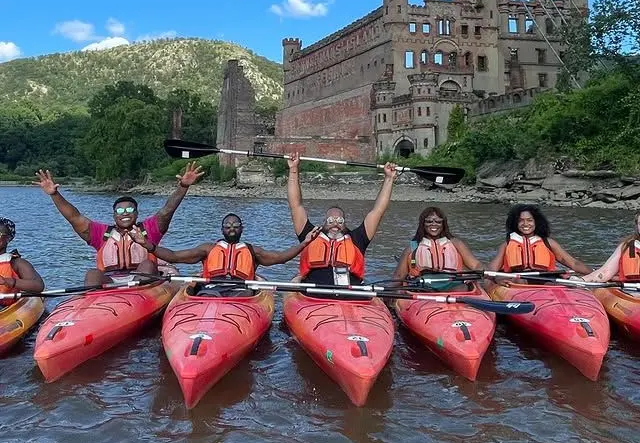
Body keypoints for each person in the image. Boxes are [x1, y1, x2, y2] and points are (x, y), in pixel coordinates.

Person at [34, 162, 205, 286]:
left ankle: (139, 302)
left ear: (136, 214)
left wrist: (183, 186)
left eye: (130, 210)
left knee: (147, 264)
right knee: (92, 274)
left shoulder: (148, 230)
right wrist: (54, 194)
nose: (125, 214)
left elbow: (167, 210)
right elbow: (74, 217)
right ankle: (91, 307)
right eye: (120, 211)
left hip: (143, 281)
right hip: (111, 280)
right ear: (114, 215)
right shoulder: (100, 233)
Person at [286, 152, 398, 286]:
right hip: (313, 293)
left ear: (345, 223)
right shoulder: (310, 236)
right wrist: (293, 170)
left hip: (350, 293)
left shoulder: (358, 238)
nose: (335, 224)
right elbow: (295, 205)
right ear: (324, 222)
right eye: (330, 221)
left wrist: (389, 178)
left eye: (340, 221)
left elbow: (378, 211)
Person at [131, 212, 321, 285]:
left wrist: (304, 243)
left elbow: (281, 258)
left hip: (242, 292)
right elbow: (173, 256)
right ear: (222, 229)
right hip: (210, 290)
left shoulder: (252, 250)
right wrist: (146, 244)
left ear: (242, 228)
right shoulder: (208, 249)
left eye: (235, 225)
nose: (231, 228)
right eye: (228, 225)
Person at [488, 204, 591, 275]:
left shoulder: (548, 243)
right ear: (515, 223)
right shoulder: (507, 244)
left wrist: (594, 273)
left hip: (543, 278)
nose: (525, 224)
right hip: (517, 279)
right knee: (519, 280)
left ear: (536, 222)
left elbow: (573, 263)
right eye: (521, 221)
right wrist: (496, 278)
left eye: (529, 220)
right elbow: (493, 268)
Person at [393, 206, 483, 281]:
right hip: (422, 286)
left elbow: (476, 265)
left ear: (443, 224)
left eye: (438, 221)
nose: (434, 224)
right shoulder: (413, 245)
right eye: (429, 221)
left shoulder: (456, 243)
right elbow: (399, 276)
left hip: (453, 284)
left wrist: (480, 273)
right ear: (422, 224)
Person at [583, 213, 640, 283]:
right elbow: (605, 272)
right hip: (630, 290)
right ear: (637, 226)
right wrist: (582, 280)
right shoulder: (626, 246)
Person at [0, 218, 45, 302]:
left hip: (5, 306)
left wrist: (6, 281)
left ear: (8, 238)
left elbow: (39, 286)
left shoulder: (17, 263)